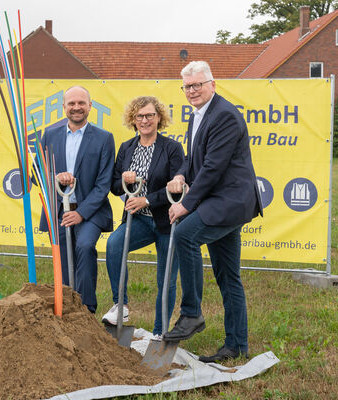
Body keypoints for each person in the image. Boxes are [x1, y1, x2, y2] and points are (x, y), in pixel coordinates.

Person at [164, 61, 262, 362]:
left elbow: (213, 167)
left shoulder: (225, 116)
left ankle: (192, 313)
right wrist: (181, 174)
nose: (192, 91)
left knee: (185, 234)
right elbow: (195, 159)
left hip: (230, 201)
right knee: (228, 275)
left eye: (198, 85)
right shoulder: (199, 115)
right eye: (188, 86)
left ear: (212, 85)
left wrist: (185, 204)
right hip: (218, 200)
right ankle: (236, 346)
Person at [101, 96, 184, 341]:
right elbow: (115, 186)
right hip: (138, 221)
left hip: (168, 221)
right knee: (114, 245)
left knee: (166, 278)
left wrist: (147, 200)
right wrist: (124, 181)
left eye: (149, 115)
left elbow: (177, 188)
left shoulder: (172, 149)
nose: (145, 120)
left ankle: (160, 333)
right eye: (140, 116)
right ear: (133, 120)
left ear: (159, 117)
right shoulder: (127, 148)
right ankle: (121, 306)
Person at [38, 86, 115, 313]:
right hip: (60, 210)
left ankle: (87, 308)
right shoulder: (50, 135)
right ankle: (65, 307)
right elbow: (37, 174)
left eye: (81, 103)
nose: (76, 107)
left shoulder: (103, 139)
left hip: (90, 211)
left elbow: (103, 184)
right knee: (61, 256)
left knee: (84, 246)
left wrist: (81, 213)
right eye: (71, 103)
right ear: (64, 107)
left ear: (90, 106)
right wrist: (55, 178)